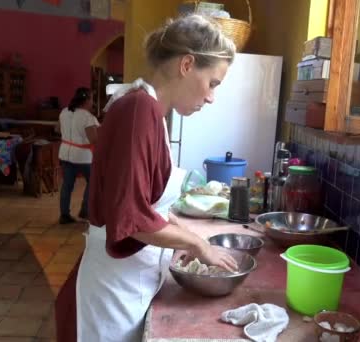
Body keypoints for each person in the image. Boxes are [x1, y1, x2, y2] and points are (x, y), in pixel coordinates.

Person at [55, 14, 238, 342]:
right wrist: (195, 242)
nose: (211, 97)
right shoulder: (140, 111)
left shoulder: (150, 111)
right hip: (113, 292)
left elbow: (148, 204)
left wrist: (183, 236)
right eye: (212, 83)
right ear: (186, 65)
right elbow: (131, 219)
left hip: (131, 281)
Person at [58, 87, 99, 224]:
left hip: (65, 153)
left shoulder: (64, 112)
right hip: (83, 157)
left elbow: (57, 129)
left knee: (67, 185)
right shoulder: (87, 117)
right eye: (92, 99)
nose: (92, 102)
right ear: (86, 100)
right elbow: (93, 139)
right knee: (93, 182)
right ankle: (85, 211)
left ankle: (64, 215)